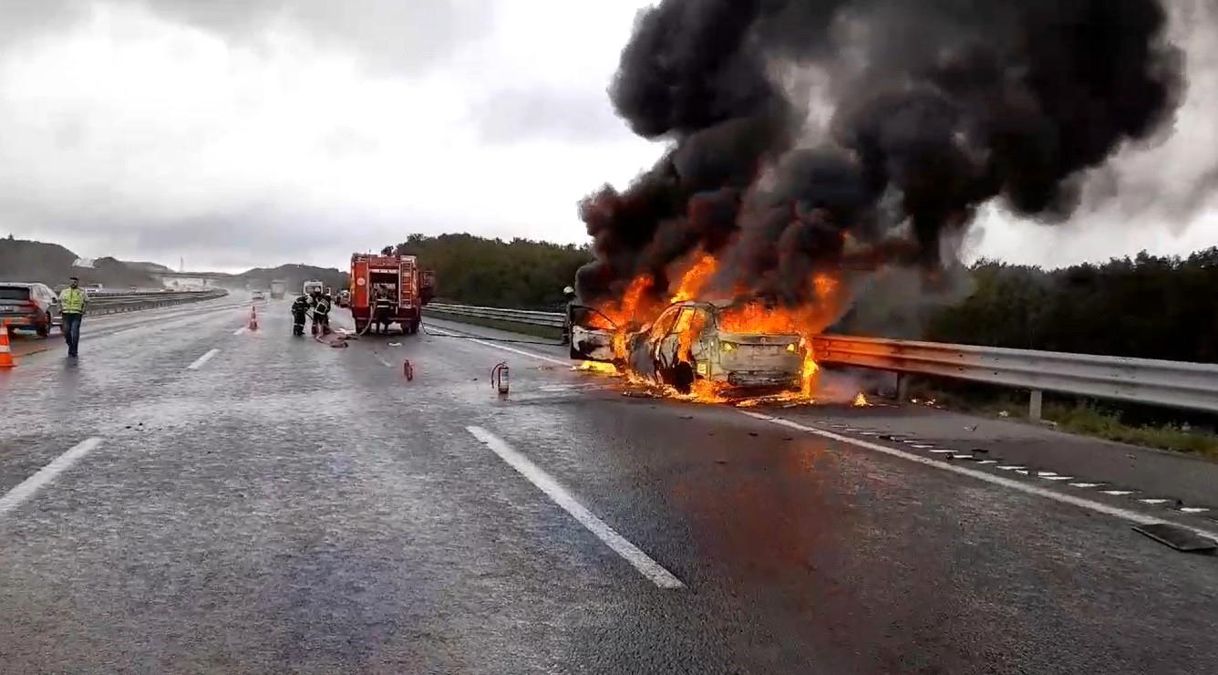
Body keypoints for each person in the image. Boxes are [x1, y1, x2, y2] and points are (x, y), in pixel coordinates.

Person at [58, 276, 88, 357]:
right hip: (66, 314)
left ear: (77, 282)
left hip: (76, 314)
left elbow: (86, 301)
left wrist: (83, 310)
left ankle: (74, 350)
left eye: (75, 282)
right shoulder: (64, 291)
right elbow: (59, 301)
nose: (73, 283)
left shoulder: (82, 292)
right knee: (66, 332)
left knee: (75, 332)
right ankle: (70, 346)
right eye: (71, 282)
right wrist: (59, 309)